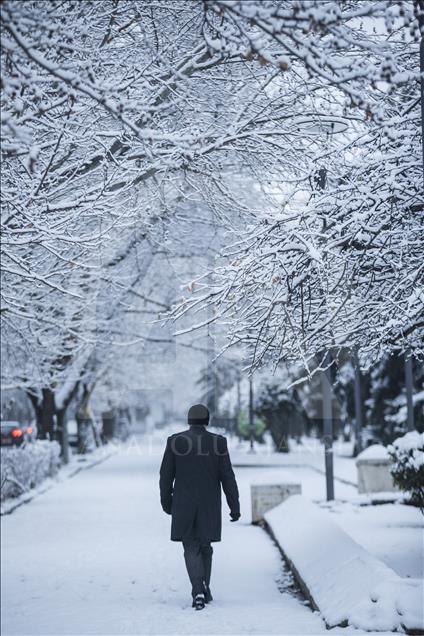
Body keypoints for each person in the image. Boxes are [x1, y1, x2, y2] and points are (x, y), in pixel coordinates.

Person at [159, 403, 240, 610]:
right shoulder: (218, 442)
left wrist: (167, 502)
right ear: (207, 420)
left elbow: (166, 476)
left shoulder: (175, 441)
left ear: (189, 420)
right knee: (205, 546)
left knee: (190, 546)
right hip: (209, 505)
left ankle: (199, 590)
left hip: (183, 504)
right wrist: (234, 505)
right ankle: (203, 588)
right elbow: (227, 477)